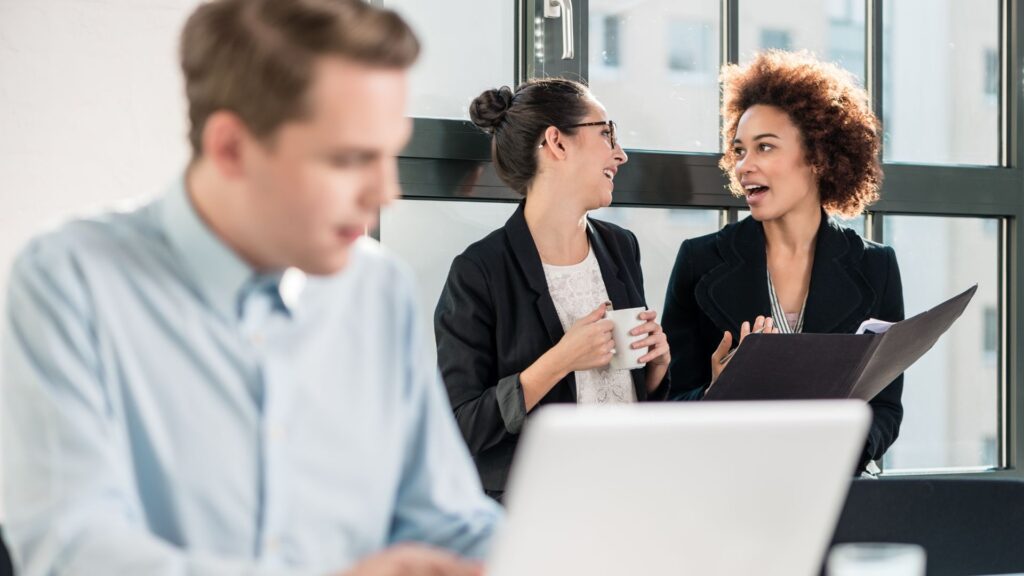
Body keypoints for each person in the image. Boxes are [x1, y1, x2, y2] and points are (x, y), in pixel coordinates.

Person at [1, 1, 501, 574]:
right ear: (231, 149)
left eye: (389, 153)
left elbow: (447, 519)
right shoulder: (72, 280)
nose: (384, 191)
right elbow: (72, 550)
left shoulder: (377, 289)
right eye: (350, 158)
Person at [662, 50, 904, 472]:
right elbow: (665, 401)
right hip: (726, 488)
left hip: (836, 490)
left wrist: (839, 440)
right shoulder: (698, 260)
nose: (744, 166)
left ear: (817, 156)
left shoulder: (876, 266)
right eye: (738, 151)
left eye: (765, 148)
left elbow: (885, 409)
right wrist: (716, 393)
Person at [434, 79, 672, 502]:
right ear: (557, 143)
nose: (620, 154)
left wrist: (655, 370)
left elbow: (629, 394)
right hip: (540, 509)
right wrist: (561, 360)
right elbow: (461, 427)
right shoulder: (479, 272)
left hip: (631, 494)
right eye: (606, 133)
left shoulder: (620, 248)